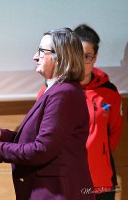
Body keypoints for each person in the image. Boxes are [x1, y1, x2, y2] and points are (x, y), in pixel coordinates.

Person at [0, 28, 96, 200]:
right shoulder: (56, 90)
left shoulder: (63, 93)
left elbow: (42, 149)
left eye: (41, 52)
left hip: (56, 193)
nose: (34, 57)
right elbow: (38, 140)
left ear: (59, 56)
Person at [73, 24, 123, 199]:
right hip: (68, 181)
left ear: (95, 58)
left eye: (87, 56)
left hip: (101, 182)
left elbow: (114, 132)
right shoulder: (54, 91)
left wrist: (99, 154)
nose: (81, 61)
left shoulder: (109, 92)